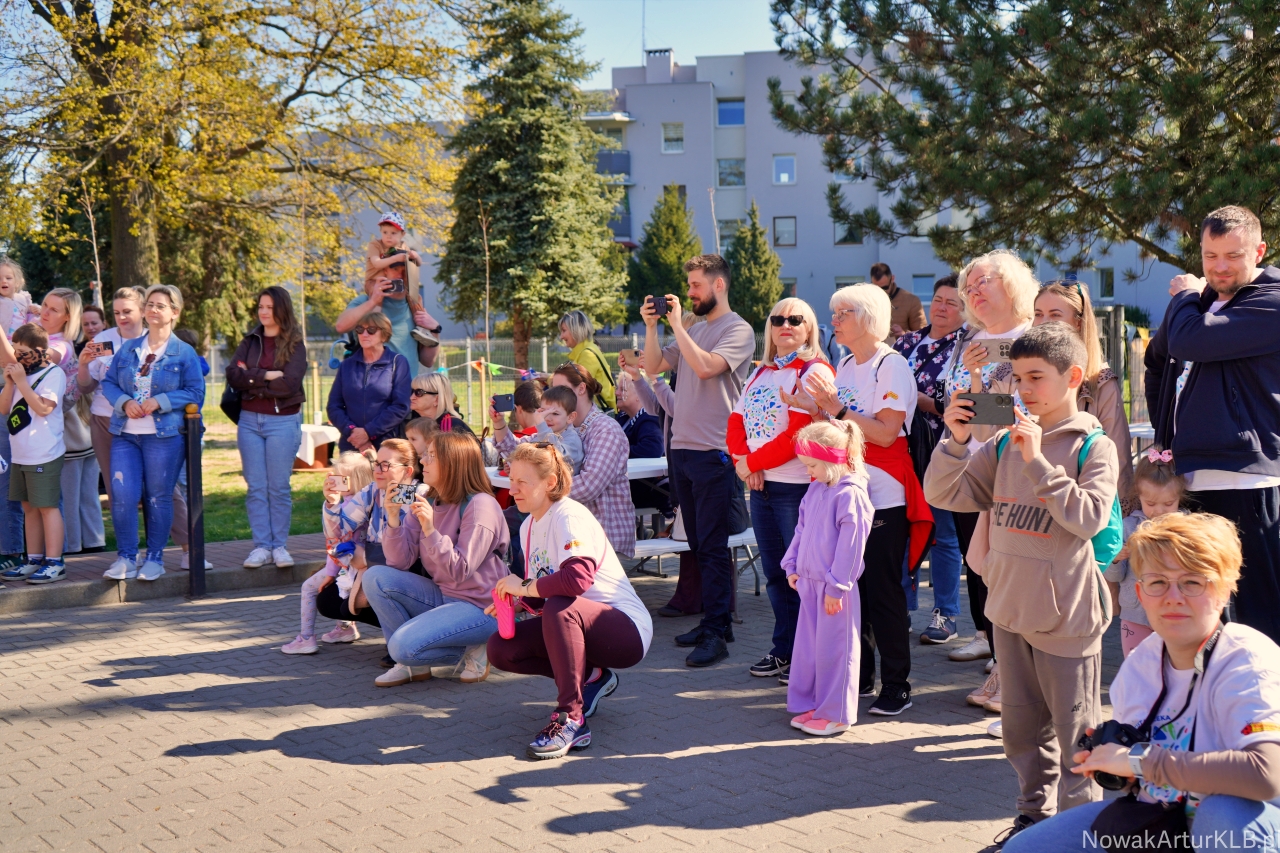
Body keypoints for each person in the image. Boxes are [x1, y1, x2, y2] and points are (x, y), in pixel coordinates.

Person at [926, 322, 1119, 846]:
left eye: (1036, 377)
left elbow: (1088, 519)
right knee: (1020, 733)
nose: (1023, 389)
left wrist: (1037, 462)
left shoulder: (1093, 445)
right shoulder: (1006, 436)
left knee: (1076, 739)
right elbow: (946, 494)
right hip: (1008, 611)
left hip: (1066, 619)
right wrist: (956, 440)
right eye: (1017, 377)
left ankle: (1078, 834)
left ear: (1072, 377)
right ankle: (1032, 820)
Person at [1004, 513, 1280, 853]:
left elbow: (1267, 774)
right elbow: (1141, 780)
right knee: (1026, 848)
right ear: (1140, 593)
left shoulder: (1246, 658)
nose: (1173, 597)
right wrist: (1112, 764)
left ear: (1224, 591)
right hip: (1162, 819)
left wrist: (1138, 760)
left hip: (1242, 825)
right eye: (1157, 582)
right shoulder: (1140, 664)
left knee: (1223, 815)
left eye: (1193, 582)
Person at [790, 284, 933, 716]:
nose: (833, 320)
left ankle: (898, 686)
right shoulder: (847, 363)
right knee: (855, 593)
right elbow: (843, 427)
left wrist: (833, 409)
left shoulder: (891, 365)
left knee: (883, 594)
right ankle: (861, 676)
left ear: (869, 318)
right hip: (849, 492)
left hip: (884, 495)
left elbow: (886, 433)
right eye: (834, 313)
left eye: (843, 313)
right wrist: (814, 409)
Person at [1144, 205, 1280, 645]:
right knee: (1203, 610)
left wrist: (1185, 295)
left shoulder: (1271, 300)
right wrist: (1168, 435)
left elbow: (1190, 341)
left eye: (1233, 255)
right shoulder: (1198, 306)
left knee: (1259, 611)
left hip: (1247, 478)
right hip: (1189, 476)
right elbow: (1158, 360)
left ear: (1259, 251)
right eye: (1210, 256)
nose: (1220, 267)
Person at [486, 442, 653, 760]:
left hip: (627, 632)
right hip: (575, 620)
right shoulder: (529, 525)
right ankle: (592, 677)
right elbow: (544, 590)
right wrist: (518, 603)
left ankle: (571, 719)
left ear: (550, 482)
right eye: (511, 479)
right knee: (500, 649)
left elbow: (576, 581)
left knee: (560, 607)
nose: (513, 489)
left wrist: (523, 586)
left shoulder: (569, 515)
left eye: (523, 482)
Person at [642, 254, 756, 667]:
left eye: (696, 285)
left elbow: (707, 368)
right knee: (697, 543)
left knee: (711, 545)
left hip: (714, 453)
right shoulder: (694, 329)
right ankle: (717, 623)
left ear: (718, 285)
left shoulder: (739, 329)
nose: (689, 293)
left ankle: (716, 631)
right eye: (688, 285)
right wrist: (653, 327)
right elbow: (652, 366)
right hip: (683, 450)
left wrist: (676, 326)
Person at [941, 249, 1039, 678]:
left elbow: (1027, 408)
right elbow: (960, 408)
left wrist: (976, 400)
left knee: (1014, 576)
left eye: (984, 281)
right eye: (969, 287)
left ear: (1012, 284)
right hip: (973, 472)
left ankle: (1014, 675)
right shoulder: (971, 341)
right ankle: (999, 661)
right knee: (979, 567)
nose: (974, 292)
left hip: (1019, 474)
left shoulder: (1035, 336)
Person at [727, 296, 833, 683]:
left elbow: (798, 435)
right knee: (776, 575)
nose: (785, 324)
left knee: (803, 576)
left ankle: (812, 656)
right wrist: (744, 463)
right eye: (778, 319)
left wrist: (752, 463)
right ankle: (786, 649)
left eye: (796, 319)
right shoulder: (762, 372)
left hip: (797, 490)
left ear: (810, 328)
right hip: (763, 489)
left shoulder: (814, 371)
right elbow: (735, 421)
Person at [366, 431, 510, 686]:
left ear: (454, 462)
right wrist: (393, 518)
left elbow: (460, 570)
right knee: (375, 578)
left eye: (431, 456)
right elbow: (399, 562)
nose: (423, 461)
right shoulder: (429, 501)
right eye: (425, 455)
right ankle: (413, 665)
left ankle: (476, 644)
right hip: (444, 596)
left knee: (400, 647)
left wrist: (431, 530)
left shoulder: (481, 505)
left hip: (482, 608)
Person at [99, 285, 205, 582]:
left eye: (161, 305)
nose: (153, 310)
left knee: (159, 497)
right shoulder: (129, 348)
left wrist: (161, 401)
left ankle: (155, 559)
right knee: (122, 496)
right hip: (125, 435)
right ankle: (126, 558)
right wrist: (124, 402)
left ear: (175, 312)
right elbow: (109, 383)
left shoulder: (184, 352)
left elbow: (196, 392)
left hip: (164, 437)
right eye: (150, 305)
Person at [785, 420, 874, 736]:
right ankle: (817, 705)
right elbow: (801, 530)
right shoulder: (815, 489)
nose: (808, 471)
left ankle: (836, 714)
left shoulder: (850, 495)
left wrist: (837, 586)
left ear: (832, 459)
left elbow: (852, 546)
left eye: (812, 465)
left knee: (837, 651)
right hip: (810, 584)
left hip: (835, 589)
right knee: (811, 651)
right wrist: (792, 565)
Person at [893, 275, 966, 646]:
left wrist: (925, 403)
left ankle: (946, 614)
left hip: (945, 454)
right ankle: (902, 609)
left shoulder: (970, 347)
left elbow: (978, 405)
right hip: (903, 452)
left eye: (952, 302)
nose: (942, 307)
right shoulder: (907, 342)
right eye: (938, 299)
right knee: (902, 532)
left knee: (944, 536)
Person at [498, 363, 634, 558]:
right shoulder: (558, 426)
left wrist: (538, 491)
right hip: (569, 534)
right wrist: (499, 423)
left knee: (511, 537)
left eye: (561, 388)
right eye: (553, 388)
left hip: (601, 540)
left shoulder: (606, 429)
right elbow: (515, 450)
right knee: (504, 531)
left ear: (581, 389)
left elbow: (588, 486)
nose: (556, 393)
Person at [228, 287, 308, 570]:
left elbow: (289, 385)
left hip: (282, 422)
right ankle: (261, 547)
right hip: (249, 421)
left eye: (269, 307)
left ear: (281, 310)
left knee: (278, 487)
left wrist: (252, 381)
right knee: (256, 487)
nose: (263, 312)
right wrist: (267, 375)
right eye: (261, 306)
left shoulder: (295, 343)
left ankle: (279, 547)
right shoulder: (250, 341)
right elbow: (233, 375)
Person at [1034, 279, 1134, 505]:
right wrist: (976, 377)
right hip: (1019, 499)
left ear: (1078, 322)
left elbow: (1117, 457)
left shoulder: (1099, 381)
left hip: (1076, 504)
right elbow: (989, 436)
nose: (1044, 322)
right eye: (1038, 314)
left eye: (1055, 315)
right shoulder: (1013, 372)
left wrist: (1109, 513)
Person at [314, 440, 421, 651]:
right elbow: (339, 531)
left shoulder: (419, 495)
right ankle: (401, 637)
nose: (377, 470)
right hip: (377, 571)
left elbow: (408, 557)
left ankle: (406, 640)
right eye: (377, 464)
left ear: (407, 471)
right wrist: (332, 503)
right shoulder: (373, 491)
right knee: (328, 601)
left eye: (386, 465)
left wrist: (366, 559)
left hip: (412, 575)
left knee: (378, 584)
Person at [281, 450, 377, 655]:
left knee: (309, 587)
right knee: (342, 589)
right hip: (358, 563)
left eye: (341, 478)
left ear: (354, 479)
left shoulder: (351, 506)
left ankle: (306, 637)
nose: (334, 481)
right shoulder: (368, 500)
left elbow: (336, 543)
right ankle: (345, 627)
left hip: (349, 564)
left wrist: (330, 573)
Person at [0, 325, 67, 584]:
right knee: (28, 507)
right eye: (15, 351)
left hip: (44, 453)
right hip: (21, 453)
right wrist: (10, 382)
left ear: (39, 351)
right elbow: (4, 408)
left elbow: (43, 408)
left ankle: (54, 562)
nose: (18, 357)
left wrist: (20, 382)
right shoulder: (20, 373)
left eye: (24, 353)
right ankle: (34, 559)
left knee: (47, 507)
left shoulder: (53, 374)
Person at [1106, 448, 1188, 658]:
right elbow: (1114, 577)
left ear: (1179, 497)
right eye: (1150, 504)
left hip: (1176, 613)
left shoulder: (1188, 527)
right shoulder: (1127, 527)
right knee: (1136, 669)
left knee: (1174, 667)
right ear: (1138, 496)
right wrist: (1116, 559)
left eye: (1168, 504)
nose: (1159, 510)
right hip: (1135, 615)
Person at [336, 211, 440, 371]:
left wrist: (435, 330)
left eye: (405, 270)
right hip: (373, 383)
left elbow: (428, 361)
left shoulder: (415, 306)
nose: (400, 275)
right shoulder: (365, 301)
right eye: (395, 269)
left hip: (406, 385)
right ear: (385, 271)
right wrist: (373, 302)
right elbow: (341, 326)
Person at [326, 311, 411, 453]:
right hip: (351, 443)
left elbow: (401, 406)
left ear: (384, 334)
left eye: (371, 330)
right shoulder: (347, 365)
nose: (364, 334)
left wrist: (368, 432)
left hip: (387, 446)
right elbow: (334, 406)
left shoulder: (397, 363)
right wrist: (353, 432)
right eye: (360, 329)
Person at [0, 258, 35, 573]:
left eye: (9, 277)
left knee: (7, 474)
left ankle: (12, 549)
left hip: (12, 387)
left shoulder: (24, 303)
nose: (4, 282)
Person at [489, 384, 583, 473]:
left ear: (570, 417)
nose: (547, 418)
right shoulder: (539, 436)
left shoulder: (572, 439)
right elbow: (512, 448)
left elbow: (555, 457)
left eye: (555, 413)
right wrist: (498, 421)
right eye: (543, 412)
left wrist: (542, 425)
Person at [558, 310, 616, 410]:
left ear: (575, 330)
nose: (561, 336)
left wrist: (550, 380)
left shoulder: (587, 354)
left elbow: (576, 388)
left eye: (564, 330)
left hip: (597, 413)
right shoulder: (587, 350)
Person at [870, 262, 925, 343]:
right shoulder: (867, 301)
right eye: (876, 288)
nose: (881, 292)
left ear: (892, 279)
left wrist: (904, 335)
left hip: (900, 349)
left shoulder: (911, 300)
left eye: (884, 288)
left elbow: (922, 335)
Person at [409, 372, 476, 438]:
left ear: (437, 399)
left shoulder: (451, 426)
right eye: (411, 391)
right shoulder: (416, 423)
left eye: (419, 392)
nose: (411, 397)